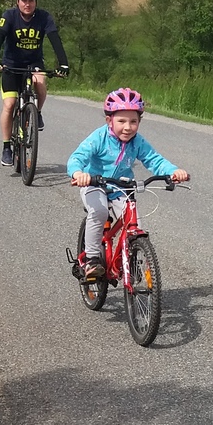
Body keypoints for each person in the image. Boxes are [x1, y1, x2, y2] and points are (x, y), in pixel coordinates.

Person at [67, 87, 189, 280]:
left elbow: (154, 160)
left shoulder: (137, 142)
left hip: (121, 188)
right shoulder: (99, 138)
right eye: (121, 121)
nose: (128, 127)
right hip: (94, 184)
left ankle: (130, 261)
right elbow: (78, 157)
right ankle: (91, 259)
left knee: (134, 225)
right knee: (99, 212)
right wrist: (78, 173)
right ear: (109, 120)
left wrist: (173, 171)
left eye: (133, 121)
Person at [0, 0, 69, 166]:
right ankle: (6, 147)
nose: (27, 4)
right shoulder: (9, 16)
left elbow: (55, 40)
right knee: (9, 104)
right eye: (24, 0)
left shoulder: (44, 17)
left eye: (31, 0)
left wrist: (63, 64)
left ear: (36, 1)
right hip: (11, 65)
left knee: (40, 83)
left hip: (34, 63)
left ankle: (37, 112)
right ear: (17, 1)